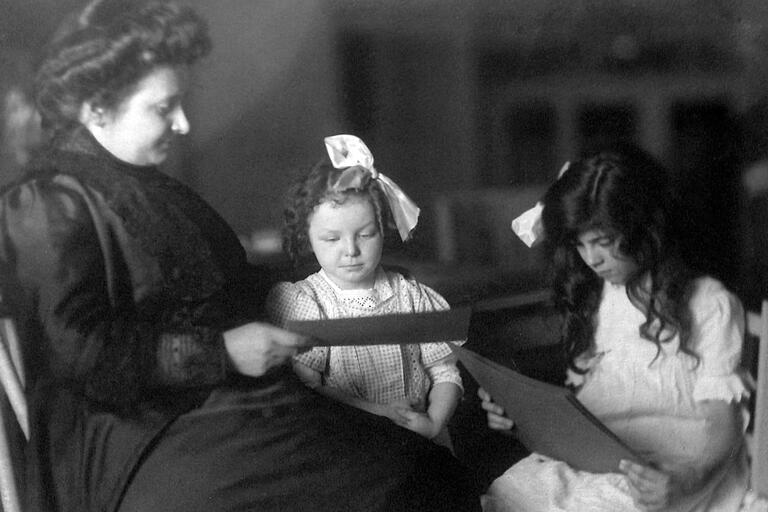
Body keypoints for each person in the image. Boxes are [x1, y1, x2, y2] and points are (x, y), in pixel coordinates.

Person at [0, 2, 480, 511]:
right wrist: (223, 352)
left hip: (219, 406)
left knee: (419, 467)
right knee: (390, 482)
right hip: (129, 438)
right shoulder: (47, 203)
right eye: (164, 108)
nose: (183, 123)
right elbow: (80, 354)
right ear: (97, 108)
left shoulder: (152, 187)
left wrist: (339, 274)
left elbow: (234, 285)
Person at [479, 146, 766, 512]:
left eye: (603, 242)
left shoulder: (709, 302)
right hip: (600, 461)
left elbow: (723, 429)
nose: (592, 259)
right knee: (511, 491)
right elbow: (586, 419)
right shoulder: (597, 297)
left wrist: (685, 485)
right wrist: (518, 419)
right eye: (580, 244)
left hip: (679, 473)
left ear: (643, 228)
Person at [267, 134, 464, 448]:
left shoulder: (413, 298)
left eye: (366, 234)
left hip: (422, 440)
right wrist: (381, 413)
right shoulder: (307, 303)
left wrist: (434, 423)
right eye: (331, 239)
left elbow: (444, 373)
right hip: (351, 444)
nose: (350, 251)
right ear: (308, 237)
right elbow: (309, 389)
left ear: (383, 229)